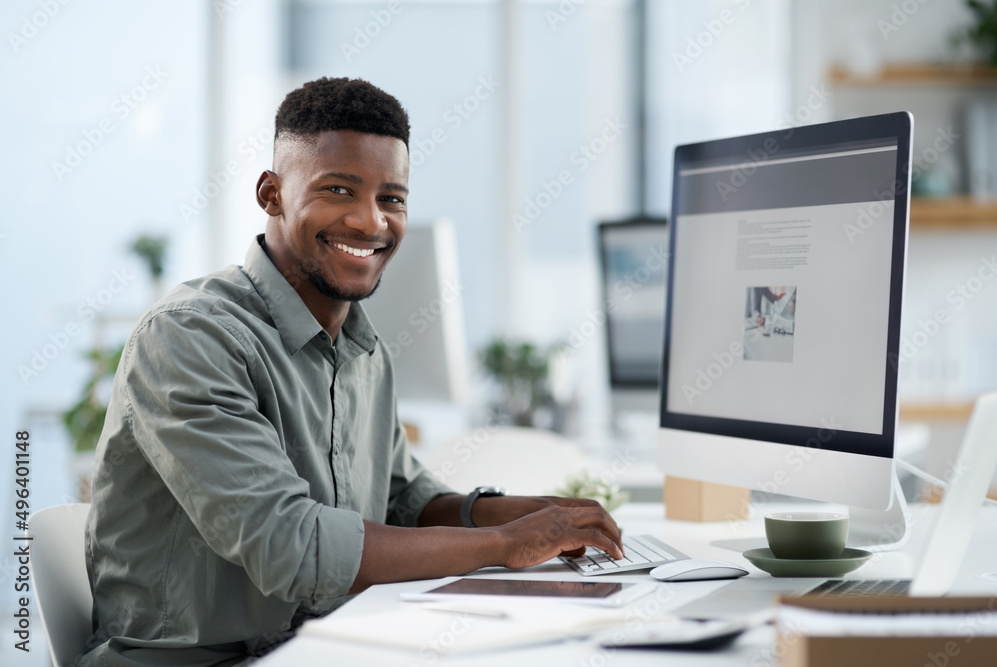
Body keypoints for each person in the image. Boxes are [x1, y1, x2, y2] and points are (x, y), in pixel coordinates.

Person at [81, 77, 623, 666]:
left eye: (392, 198)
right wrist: (502, 545)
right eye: (339, 190)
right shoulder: (190, 336)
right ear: (272, 194)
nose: (371, 223)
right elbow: (289, 546)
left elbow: (401, 499)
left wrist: (520, 515)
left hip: (329, 647)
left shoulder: (364, 349)